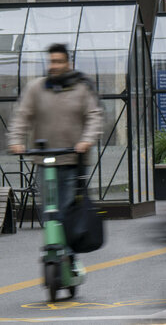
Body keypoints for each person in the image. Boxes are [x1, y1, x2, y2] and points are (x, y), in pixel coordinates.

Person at [7, 44, 103, 270]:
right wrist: (16, 141)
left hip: (72, 161)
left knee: (65, 211)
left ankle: (69, 255)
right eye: (51, 61)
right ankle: (56, 249)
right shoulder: (36, 88)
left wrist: (86, 140)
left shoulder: (81, 88)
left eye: (59, 61)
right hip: (45, 160)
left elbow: (94, 117)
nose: (55, 66)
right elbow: (22, 116)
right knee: (48, 211)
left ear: (68, 63)